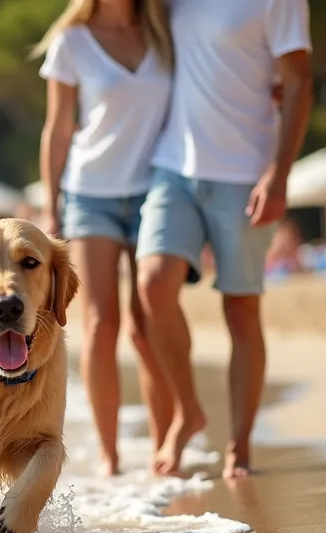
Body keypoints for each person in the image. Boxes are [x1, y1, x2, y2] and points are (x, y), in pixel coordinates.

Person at [134, 0, 313, 479]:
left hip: (245, 172)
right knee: (152, 285)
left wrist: (278, 175)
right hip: (174, 165)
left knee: (240, 310)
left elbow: (299, 81)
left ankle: (240, 446)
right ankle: (188, 411)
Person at [35, 0, 174, 476]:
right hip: (89, 194)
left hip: (156, 188)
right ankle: (109, 455)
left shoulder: (165, 28)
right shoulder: (72, 41)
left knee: (148, 322)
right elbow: (57, 129)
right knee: (100, 323)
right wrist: (52, 205)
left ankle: (165, 445)